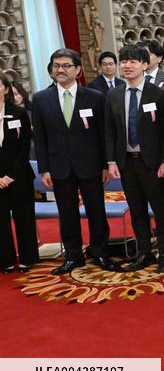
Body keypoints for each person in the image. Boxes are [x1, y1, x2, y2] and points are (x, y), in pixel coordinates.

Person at [31, 49, 120, 274]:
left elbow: (102, 134)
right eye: (56, 65)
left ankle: (100, 252)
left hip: (90, 166)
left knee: (96, 210)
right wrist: (44, 169)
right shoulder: (41, 99)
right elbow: (40, 138)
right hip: (59, 167)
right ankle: (73, 256)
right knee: (67, 213)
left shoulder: (95, 97)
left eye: (66, 65)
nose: (60, 69)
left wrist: (104, 165)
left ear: (78, 70)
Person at [104, 44, 164, 272]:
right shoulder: (113, 95)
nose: (127, 66)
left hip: (153, 163)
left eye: (133, 61)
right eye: (123, 61)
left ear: (145, 65)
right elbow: (110, 131)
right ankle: (144, 252)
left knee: (160, 208)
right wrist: (112, 161)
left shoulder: (159, 94)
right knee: (136, 209)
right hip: (126, 162)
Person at [0, 73, 38, 272]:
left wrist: (11, 175)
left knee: (24, 218)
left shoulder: (19, 113)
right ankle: (5, 260)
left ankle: (27, 258)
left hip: (19, 175)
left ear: (6, 89)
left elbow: (25, 146)